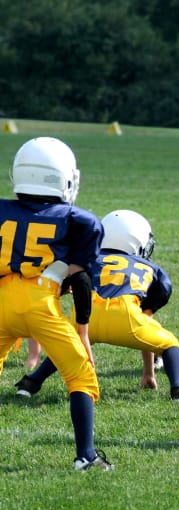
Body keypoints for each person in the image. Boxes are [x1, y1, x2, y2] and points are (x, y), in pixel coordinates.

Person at [0, 136, 112, 471]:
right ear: (64, 178)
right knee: (80, 376)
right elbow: (80, 275)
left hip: (3, 302)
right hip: (41, 307)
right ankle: (86, 456)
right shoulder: (80, 220)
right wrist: (82, 329)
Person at [16, 209, 179, 402]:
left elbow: (61, 283)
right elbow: (147, 315)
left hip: (86, 316)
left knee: (67, 347)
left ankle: (30, 383)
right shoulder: (150, 268)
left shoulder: (88, 258)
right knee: (170, 344)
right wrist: (149, 372)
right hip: (124, 316)